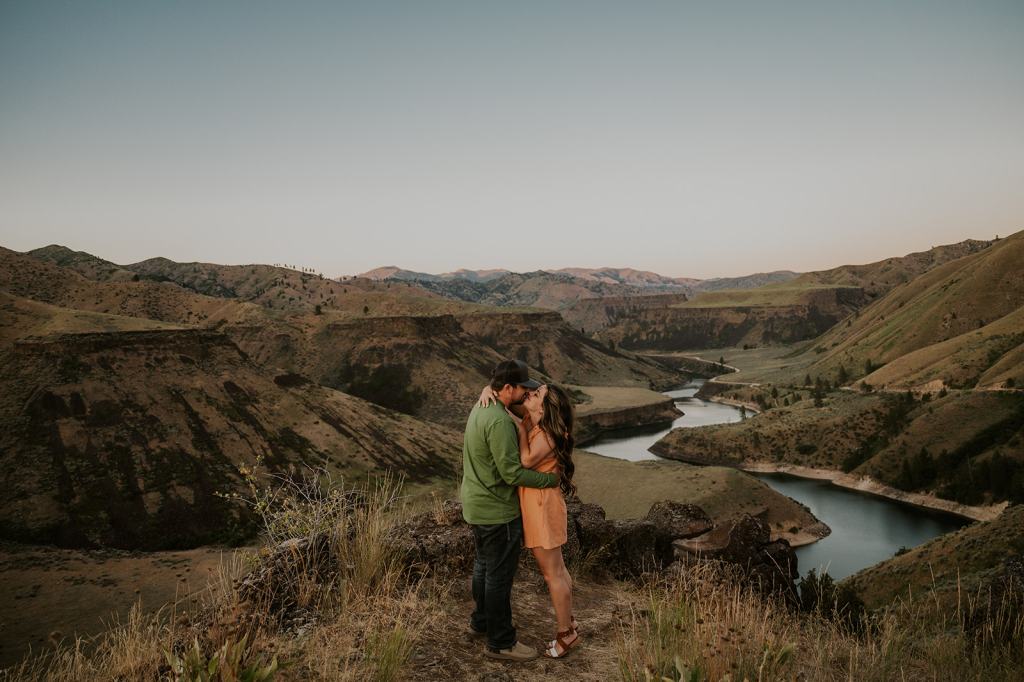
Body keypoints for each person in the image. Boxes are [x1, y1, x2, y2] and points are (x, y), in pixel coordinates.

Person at [461, 359, 560, 662]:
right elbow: (512, 473)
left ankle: (481, 623)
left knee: (483, 567)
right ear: (507, 388)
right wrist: (549, 479)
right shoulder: (500, 422)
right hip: (497, 512)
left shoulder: (482, 408)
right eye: (521, 389)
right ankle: (501, 642)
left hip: (476, 505)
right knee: (498, 578)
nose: (524, 395)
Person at [478, 382, 581, 658]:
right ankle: (569, 623)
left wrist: (522, 430)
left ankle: (566, 633)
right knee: (558, 570)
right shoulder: (533, 418)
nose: (531, 394)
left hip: (542, 509)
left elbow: (524, 460)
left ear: (545, 407)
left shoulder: (547, 434)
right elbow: (508, 395)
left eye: (538, 395)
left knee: (553, 574)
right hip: (539, 506)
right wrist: (488, 389)